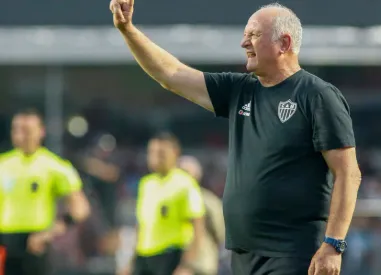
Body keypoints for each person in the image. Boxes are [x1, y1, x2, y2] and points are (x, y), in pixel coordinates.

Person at [109, 1, 362, 274]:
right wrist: (128, 30)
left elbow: (348, 173)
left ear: (284, 43)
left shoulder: (317, 96)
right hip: (243, 254)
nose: (243, 42)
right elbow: (171, 74)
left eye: (253, 34)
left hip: (294, 251)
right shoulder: (240, 90)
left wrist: (334, 244)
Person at [0, 108, 91, 275]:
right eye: (16, 129)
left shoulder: (55, 166)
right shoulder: (3, 164)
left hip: (36, 245)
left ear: (41, 132)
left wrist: (48, 234)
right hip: (5, 244)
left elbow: (81, 209)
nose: (21, 135)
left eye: (27, 130)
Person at [120, 132, 206, 275]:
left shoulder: (185, 183)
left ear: (175, 153)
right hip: (144, 255)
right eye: (152, 152)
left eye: (161, 153)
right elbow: (141, 225)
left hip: (170, 255)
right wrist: (130, 261)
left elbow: (198, 226)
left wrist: (187, 266)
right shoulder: (146, 184)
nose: (155, 157)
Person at [178, 156, 226, 275]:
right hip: (177, 261)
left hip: (201, 262)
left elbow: (221, 233)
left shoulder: (208, 201)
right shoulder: (172, 200)